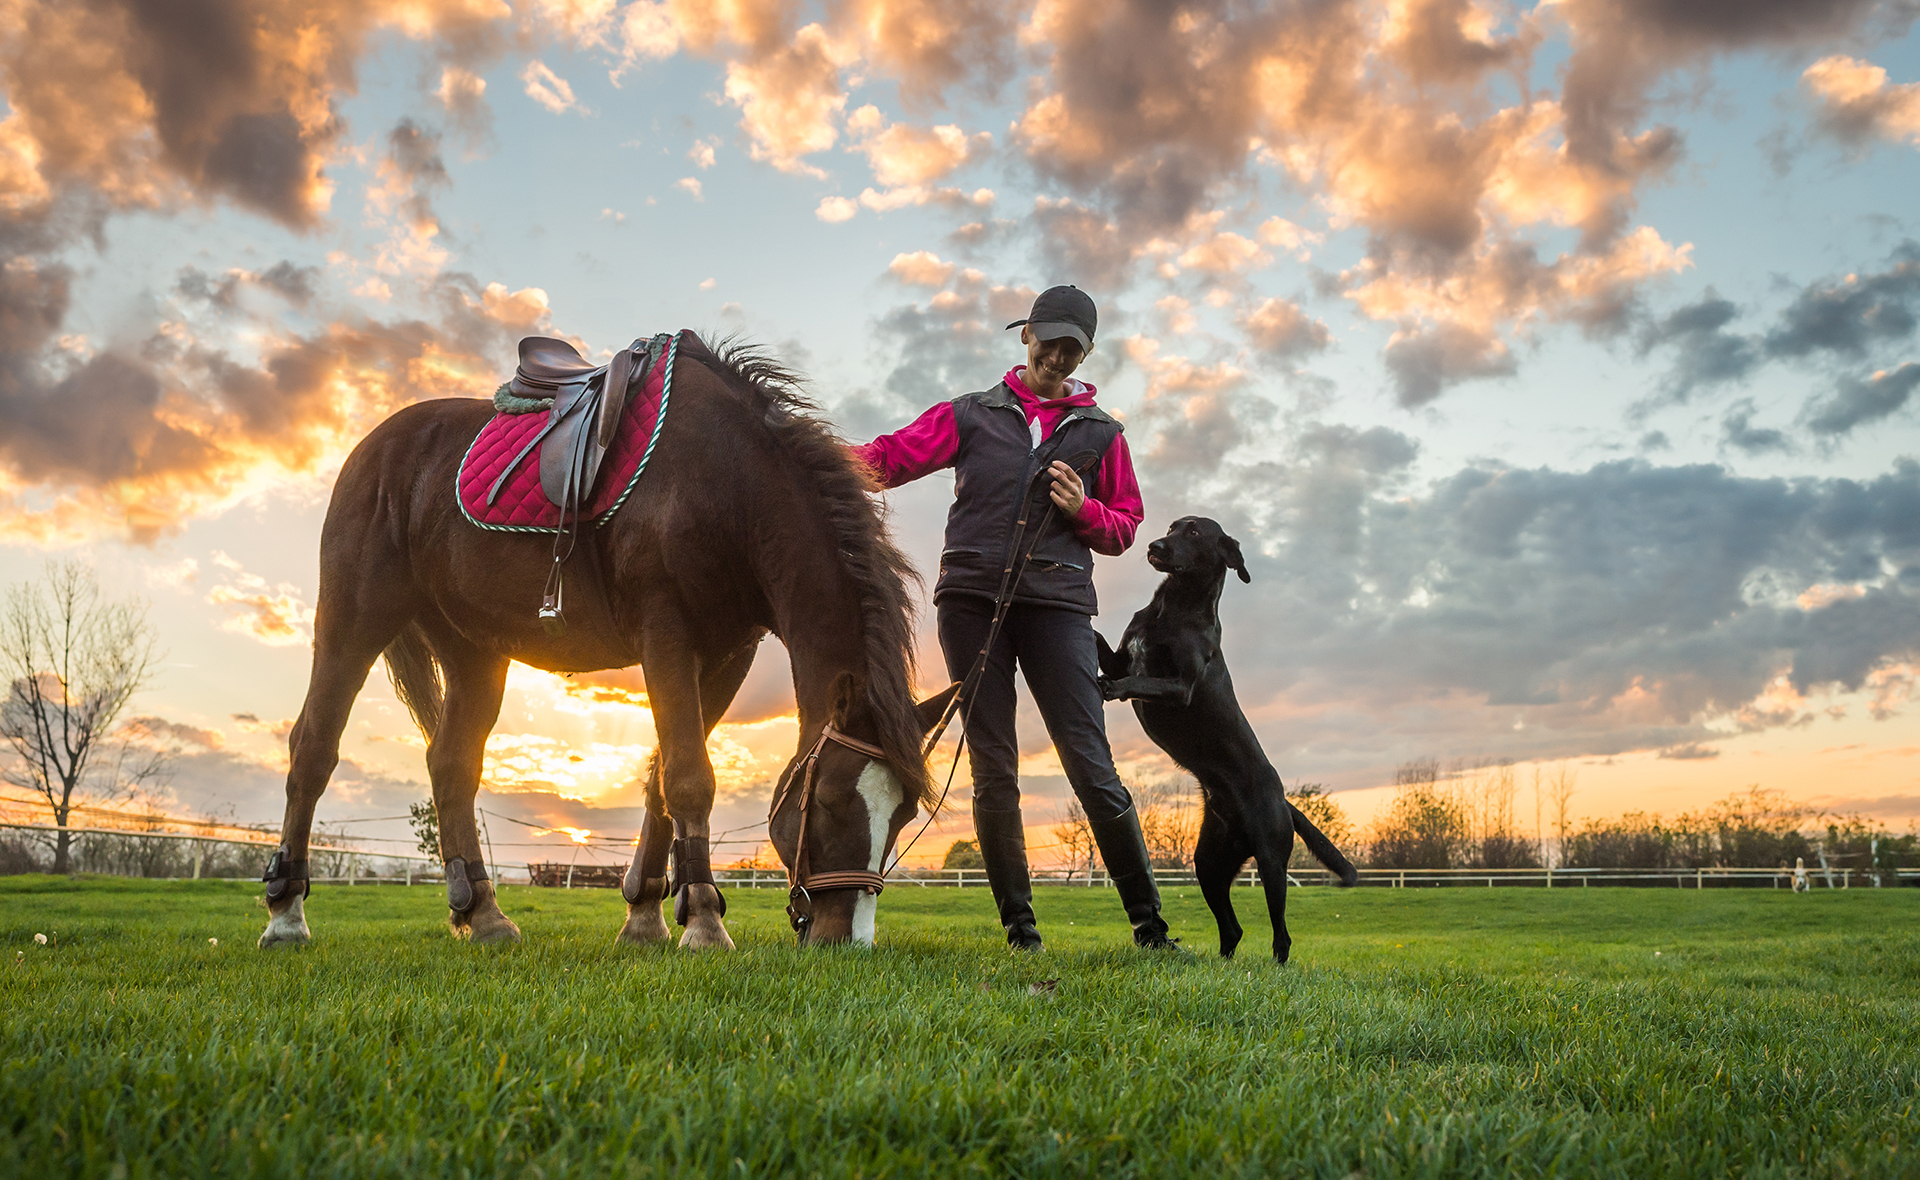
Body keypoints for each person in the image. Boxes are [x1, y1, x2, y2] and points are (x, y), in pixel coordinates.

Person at [852, 285, 1172, 950]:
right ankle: (1020, 932)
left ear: (1085, 354)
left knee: (1090, 762)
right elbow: (889, 459)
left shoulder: (1102, 435)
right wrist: (811, 455)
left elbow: (1125, 529)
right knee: (994, 767)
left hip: (1057, 607)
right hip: (971, 605)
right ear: (1025, 334)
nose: (1057, 357)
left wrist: (1084, 509)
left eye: (1072, 349)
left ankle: (1150, 930)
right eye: (1048, 341)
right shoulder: (970, 415)